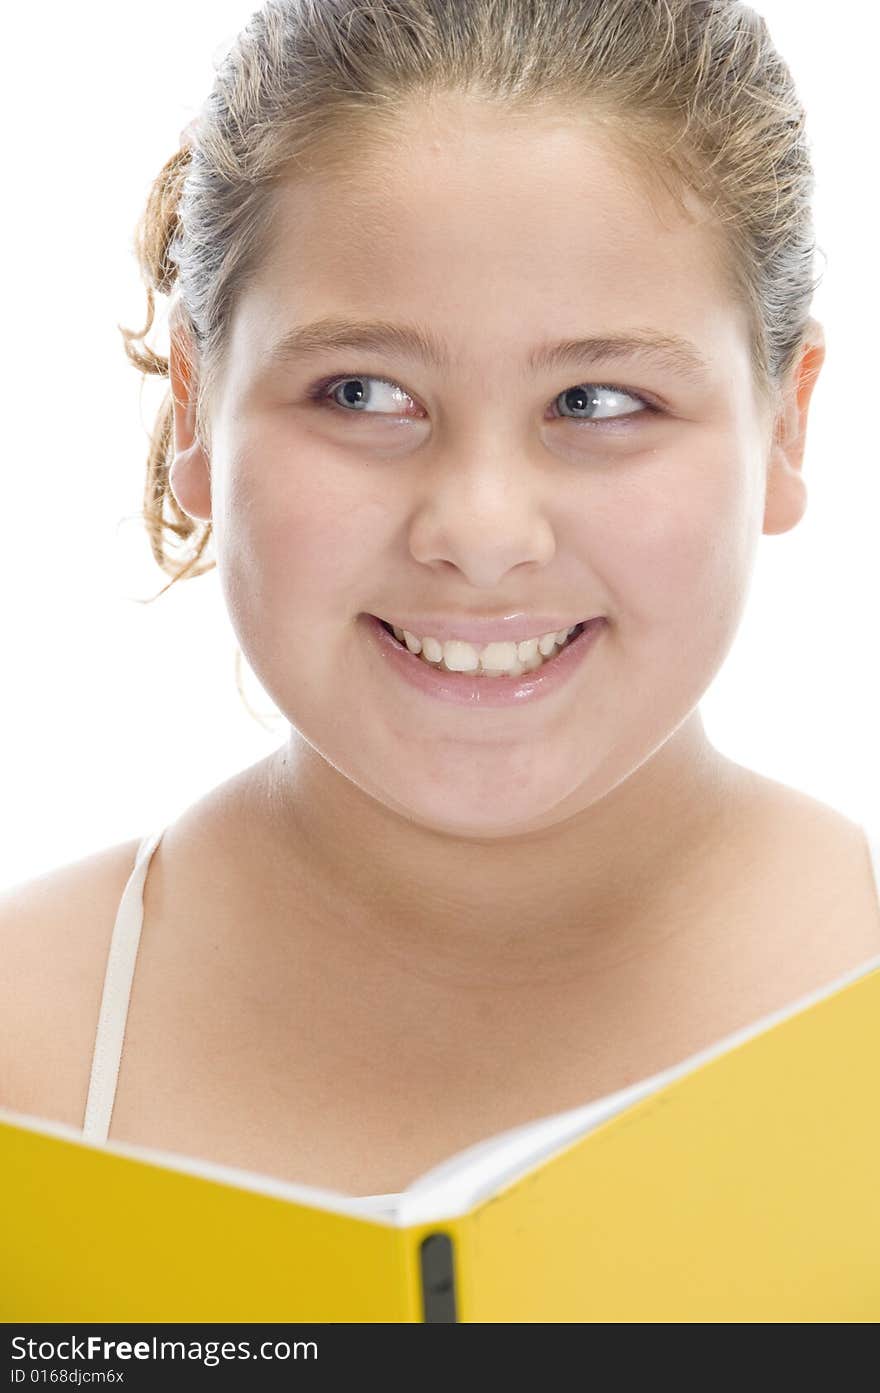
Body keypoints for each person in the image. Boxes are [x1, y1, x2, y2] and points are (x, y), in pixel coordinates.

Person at [1, 0, 878, 1215]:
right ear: (191, 409)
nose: (476, 531)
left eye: (598, 401)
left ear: (786, 424)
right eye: (361, 391)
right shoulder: (22, 1045)